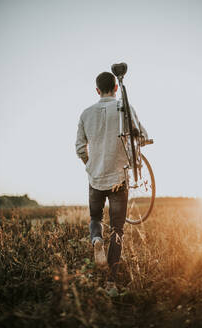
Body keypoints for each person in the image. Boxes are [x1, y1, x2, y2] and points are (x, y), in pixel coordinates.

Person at [75, 71, 148, 282]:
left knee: (95, 218)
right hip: (119, 178)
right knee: (117, 229)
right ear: (116, 88)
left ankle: (96, 239)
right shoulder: (124, 109)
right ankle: (111, 279)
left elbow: (80, 148)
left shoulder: (85, 113)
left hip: (95, 178)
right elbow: (141, 136)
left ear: (97, 90)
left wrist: (90, 164)